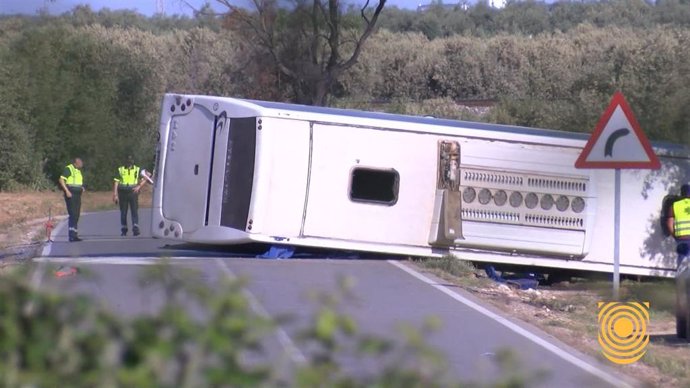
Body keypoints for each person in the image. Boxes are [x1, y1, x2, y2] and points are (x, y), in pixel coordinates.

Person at [113, 155, 149, 237]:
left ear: (133, 161)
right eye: (128, 161)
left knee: (134, 210)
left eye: (130, 161)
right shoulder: (121, 169)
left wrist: (139, 186)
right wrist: (115, 194)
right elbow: (116, 182)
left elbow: (146, 177)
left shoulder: (137, 169)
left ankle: (135, 227)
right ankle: (124, 228)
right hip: (122, 191)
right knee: (123, 211)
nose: (129, 162)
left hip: (133, 191)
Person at [58, 157, 85, 242]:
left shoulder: (78, 171)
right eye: (81, 163)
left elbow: (77, 181)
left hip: (78, 194)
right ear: (77, 162)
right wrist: (66, 191)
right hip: (71, 193)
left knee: (77, 214)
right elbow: (61, 180)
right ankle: (71, 236)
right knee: (73, 214)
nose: (82, 164)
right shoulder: (69, 169)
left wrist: (81, 187)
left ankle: (75, 234)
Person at [667, 183, 690, 268]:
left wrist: (675, 236)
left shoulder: (675, 206)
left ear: (681, 193)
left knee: (681, 266)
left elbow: (669, 224)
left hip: (681, 239)